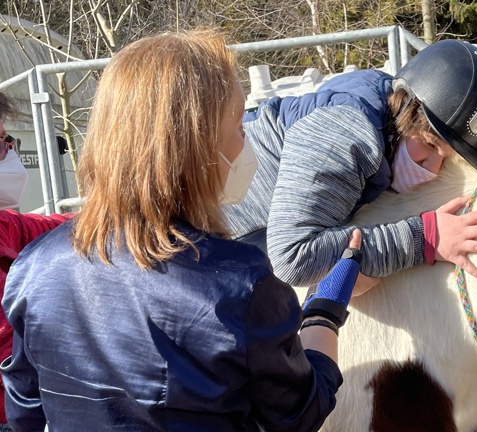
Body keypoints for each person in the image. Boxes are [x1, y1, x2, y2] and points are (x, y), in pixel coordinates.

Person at [1, 29, 366, 432]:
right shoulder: (240, 286)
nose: (248, 139)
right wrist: (325, 311)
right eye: (239, 124)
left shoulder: (33, 267)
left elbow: (25, 410)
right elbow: (299, 411)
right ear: (198, 146)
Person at [223, 39, 477, 289]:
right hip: (217, 234)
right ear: (405, 107)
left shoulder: (379, 105)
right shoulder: (351, 131)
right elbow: (293, 258)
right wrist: (425, 238)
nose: (432, 169)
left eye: (446, 159)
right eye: (429, 145)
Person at [0, 92, 73, 431]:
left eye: (7, 142)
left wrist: (113, 213)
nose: (8, 156)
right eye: (3, 145)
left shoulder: (4, 225)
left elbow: (46, 228)